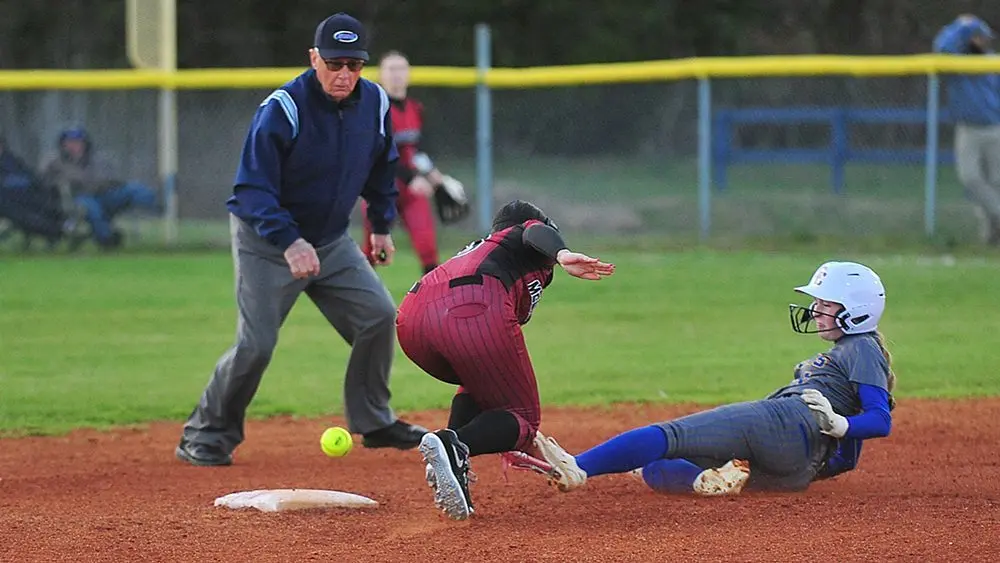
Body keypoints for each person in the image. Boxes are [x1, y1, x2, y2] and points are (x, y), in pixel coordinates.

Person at [176, 12, 427, 467]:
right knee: (256, 345)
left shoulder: (374, 103)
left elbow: (382, 167)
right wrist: (290, 241)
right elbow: (251, 191)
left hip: (330, 240)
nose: (344, 74)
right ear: (314, 58)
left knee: (377, 316)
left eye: (353, 64)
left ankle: (373, 419)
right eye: (335, 63)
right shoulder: (284, 109)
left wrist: (383, 225)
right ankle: (206, 433)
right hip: (267, 242)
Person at [526, 261, 894, 497]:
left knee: (671, 436)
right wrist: (819, 457)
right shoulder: (854, 351)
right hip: (797, 463)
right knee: (656, 466)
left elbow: (880, 419)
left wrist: (839, 424)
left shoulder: (861, 346)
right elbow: (847, 458)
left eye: (826, 305)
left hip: (788, 421)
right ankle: (704, 483)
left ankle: (579, 467)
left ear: (857, 312)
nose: (815, 312)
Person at [396, 199, 615, 520]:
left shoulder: (482, 250)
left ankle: (452, 457)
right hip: (471, 305)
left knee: (481, 379)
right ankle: (455, 445)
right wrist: (562, 253)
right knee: (523, 419)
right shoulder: (523, 238)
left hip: (412, 318)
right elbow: (533, 232)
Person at [360, 50, 467, 275]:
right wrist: (411, 177)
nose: (396, 74)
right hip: (381, 187)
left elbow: (418, 151)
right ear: (381, 74)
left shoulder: (415, 109)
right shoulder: (373, 108)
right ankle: (355, 302)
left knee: (427, 246)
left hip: (412, 189)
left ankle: (433, 304)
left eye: (401, 68)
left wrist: (433, 175)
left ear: (408, 74)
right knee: (372, 250)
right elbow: (377, 153)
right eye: (391, 69)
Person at [933, 15, 1000, 246]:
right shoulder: (957, 63)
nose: (983, 41)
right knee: (971, 178)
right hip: (968, 130)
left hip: (995, 128)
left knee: (997, 181)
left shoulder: (992, 62)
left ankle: (992, 237)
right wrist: (960, 26)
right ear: (968, 38)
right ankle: (997, 216)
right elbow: (941, 48)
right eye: (978, 36)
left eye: (985, 37)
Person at [40, 126, 160, 249]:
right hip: (79, 198)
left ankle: (159, 205)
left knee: (134, 188)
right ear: (63, 145)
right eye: (70, 142)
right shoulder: (54, 162)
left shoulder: (98, 159)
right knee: (91, 208)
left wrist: (108, 183)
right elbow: (45, 183)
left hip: (105, 194)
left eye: (78, 142)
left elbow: (112, 179)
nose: (74, 145)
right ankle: (107, 238)